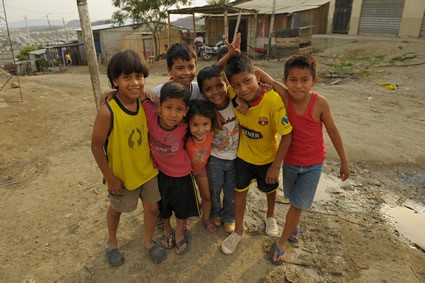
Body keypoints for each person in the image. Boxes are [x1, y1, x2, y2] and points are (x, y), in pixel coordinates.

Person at [265, 53, 350, 265]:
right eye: (292, 80)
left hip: (313, 165)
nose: (299, 86)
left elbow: (332, 131)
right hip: (291, 163)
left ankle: (282, 243)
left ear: (314, 81)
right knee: (293, 198)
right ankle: (294, 227)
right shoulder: (285, 97)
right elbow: (265, 79)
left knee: (296, 205)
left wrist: (344, 160)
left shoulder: (320, 103)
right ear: (286, 81)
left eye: (305, 80)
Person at [91, 50, 166, 266]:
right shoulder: (108, 111)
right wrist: (110, 177)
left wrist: (151, 96)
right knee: (117, 210)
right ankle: (112, 243)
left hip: (148, 171)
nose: (135, 83)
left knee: (152, 208)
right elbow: (96, 147)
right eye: (126, 78)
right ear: (115, 80)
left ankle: (148, 242)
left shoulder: (146, 102)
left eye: (139, 76)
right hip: (122, 176)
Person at [220, 54, 293, 255]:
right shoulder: (234, 95)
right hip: (243, 156)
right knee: (239, 191)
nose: (243, 89)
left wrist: (276, 165)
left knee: (270, 189)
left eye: (247, 81)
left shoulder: (272, 99)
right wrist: (236, 102)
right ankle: (239, 231)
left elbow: (287, 135)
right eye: (236, 85)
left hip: (268, 158)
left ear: (257, 76)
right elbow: (222, 82)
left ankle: (270, 216)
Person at [142, 81, 200, 256]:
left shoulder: (185, 125)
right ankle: (167, 230)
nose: (173, 114)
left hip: (182, 174)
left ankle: (181, 230)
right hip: (159, 173)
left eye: (179, 109)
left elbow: (207, 118)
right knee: (163, 206)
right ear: (159, 106)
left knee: (182, 207)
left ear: (186, 111)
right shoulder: (151, 114)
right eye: (168, 107)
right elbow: (132, 93)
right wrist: (146, 93)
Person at [197, 65, 239, 234]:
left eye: (219, 86)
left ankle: (229, 216)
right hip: (214, 158)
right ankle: (215, 212)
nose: (215, 92)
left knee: (231, 190)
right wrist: (212, 111)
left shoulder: (238, 102)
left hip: (236, 157)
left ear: (227, 84)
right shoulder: (205, 110)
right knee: (214, 188)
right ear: (202, 92)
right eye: (208, 89)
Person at [184, 99, 217, 233]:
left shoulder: (211, 134)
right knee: (188, 198)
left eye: (205, 124)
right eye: (195, 125)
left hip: (201, 170)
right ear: (188, 124)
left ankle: (206, 218)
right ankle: (186, 218)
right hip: (186, 173)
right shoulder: (185, 138)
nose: (200, 129)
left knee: (206, 196)